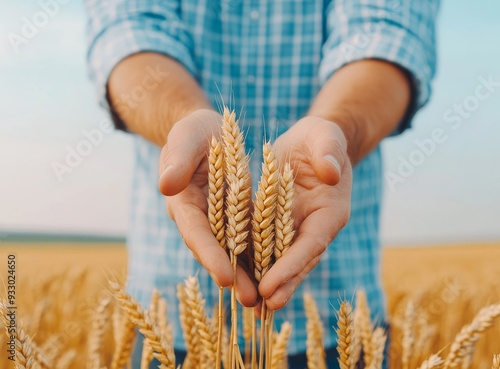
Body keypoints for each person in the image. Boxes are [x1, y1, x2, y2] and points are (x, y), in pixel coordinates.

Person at [85, 1, 438, 367]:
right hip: (168, 325)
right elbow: (128, 34)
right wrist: (181, 123)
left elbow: (386, 37)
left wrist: (337, 134)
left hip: (339, 329)